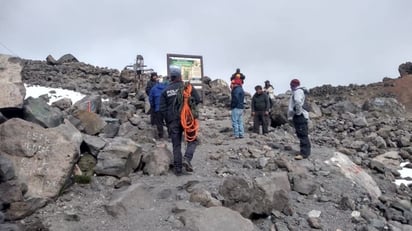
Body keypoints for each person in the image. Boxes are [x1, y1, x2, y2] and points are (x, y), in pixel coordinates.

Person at [159, 66, 201, 176]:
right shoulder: (188, 87)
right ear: (180, 76)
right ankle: (187, 158)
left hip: (172, 121)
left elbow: (162, 109)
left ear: (171, 78)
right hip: (187, 120)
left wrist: (167, 121)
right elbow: (197, 99)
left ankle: (178, 170)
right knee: (193, 140)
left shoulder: (165, 91)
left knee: (176, 145)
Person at [287, 78, 311, 160]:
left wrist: (297, 112)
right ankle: (305, 152)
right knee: (302, 134)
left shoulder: (297, 91)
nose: (291, 86)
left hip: (300, 116)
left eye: (291, 85)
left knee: (302, 134)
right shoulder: (300, 91)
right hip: (301, 115)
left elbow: (297, 101)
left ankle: (304, 153)